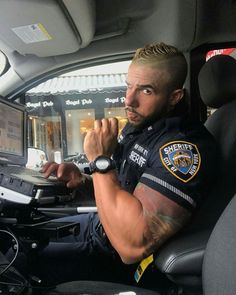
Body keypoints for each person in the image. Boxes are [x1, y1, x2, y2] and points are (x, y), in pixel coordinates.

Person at [19, 43, 218, 290]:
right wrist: (83, 180)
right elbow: (122, 189)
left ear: (174, 97)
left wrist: (100, 160)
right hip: (101, 228)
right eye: (128, 86)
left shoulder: (183, 149)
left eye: (146, 90)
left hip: (116, 258)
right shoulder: (141, 126)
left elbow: (131, 246)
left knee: (19, 262)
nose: (129, 100)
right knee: (18, 237)